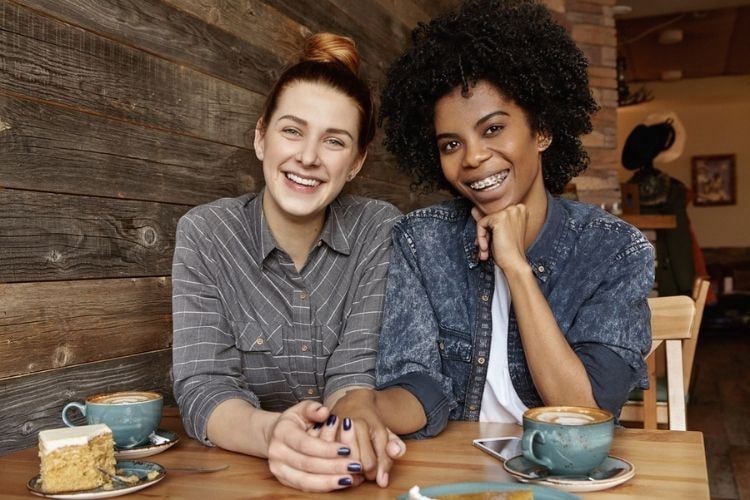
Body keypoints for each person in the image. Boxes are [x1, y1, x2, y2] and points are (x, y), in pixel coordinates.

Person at [333, 0, 654, 455]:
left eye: (493, 128)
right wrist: (363, 407)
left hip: (567, 477)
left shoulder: (614, 251)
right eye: (451, 143)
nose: (472, 158)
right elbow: (420, 385)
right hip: (457, 471)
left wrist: (517, 269)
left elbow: (585, 415)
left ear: (541, 130)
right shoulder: (420, 242)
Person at [171, 32, 403, 493]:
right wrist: (273, 434)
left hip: (344, 467)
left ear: (356, 162)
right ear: (261, 137)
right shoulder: (206, 234)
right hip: (243, 480)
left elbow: (354, 370)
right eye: (292, 130)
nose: (308, 157)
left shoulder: (378, 228)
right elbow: (203, 385)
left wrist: (354, 425)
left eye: (334, 142)